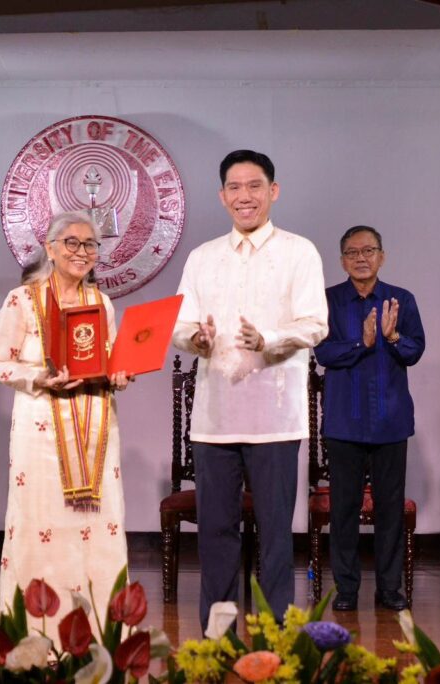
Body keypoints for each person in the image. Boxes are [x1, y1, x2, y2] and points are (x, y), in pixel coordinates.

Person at [172, 150, 327, 629]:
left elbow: (315, 324)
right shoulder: (203, 257)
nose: (245, 197)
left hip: (276, 419)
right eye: (235, 188)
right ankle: (216, 640)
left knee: (277, 537)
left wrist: (270, 340)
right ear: (222, 197)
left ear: (273, 191)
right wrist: (195, 338)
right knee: (216, 534)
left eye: (254, 186)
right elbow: (179, 323)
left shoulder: (299, 252)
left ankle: (277, 637)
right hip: (215, 421)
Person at [0, 211, 132, 638]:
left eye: (90, 245)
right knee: (40, 524)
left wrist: (121, 373)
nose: (81, 252)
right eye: (71, 242)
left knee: (97, 527)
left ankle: (101, 633)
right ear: (49, 249)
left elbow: (108, 359)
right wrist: (37, 377)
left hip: (97, 430)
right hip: (40, 430)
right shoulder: (22, 300)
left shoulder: (101, 302)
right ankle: (36, 634)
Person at [313, 226, 425, 612]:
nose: (361, 258)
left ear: (382, 256)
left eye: (369, 250)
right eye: (352, 252)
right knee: (343, 509)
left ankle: (389, 589)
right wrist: (362, 342)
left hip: (391, 421)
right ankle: (345, 590)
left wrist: (392, 338)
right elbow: (323, 354)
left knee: (389, 510)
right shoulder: (327, 301)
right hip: (345, 421)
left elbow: (414, 352)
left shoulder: (402, 300)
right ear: (342, 260)